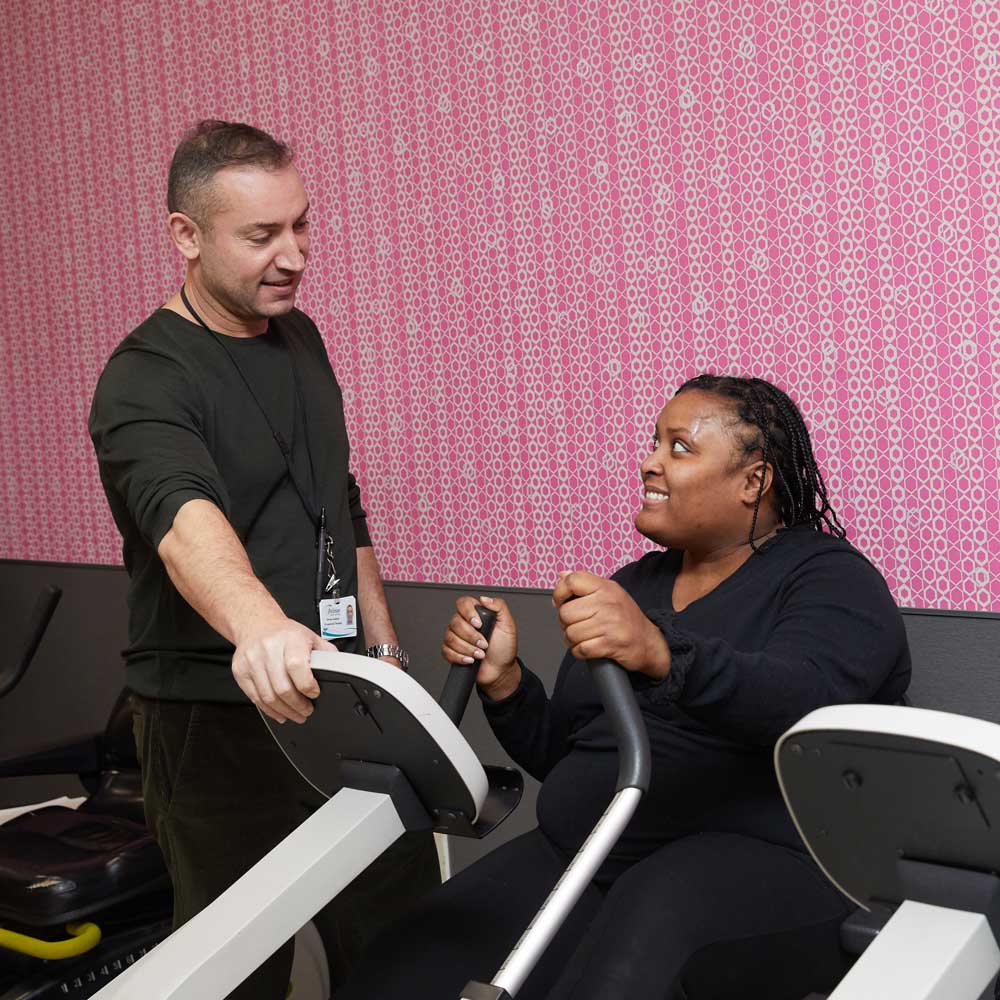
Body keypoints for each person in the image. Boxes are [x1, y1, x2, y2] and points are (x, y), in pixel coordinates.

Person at [333, 374, 911, 1000]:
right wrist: (506, 684)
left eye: (680, 447)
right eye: (654, 442)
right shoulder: (636, 583)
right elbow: (575, 753)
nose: (649, 462)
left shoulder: (829, 579)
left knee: (623, 957)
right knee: (411, 957)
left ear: (754, 481)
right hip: (588, 850)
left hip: (757, 854)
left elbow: (807, 703)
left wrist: (662, 652)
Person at [88, 120, 439, 999]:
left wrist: (382, 652)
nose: (293, 256)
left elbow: (337, 499)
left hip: (343, 698)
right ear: (187, 235)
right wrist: (260, 629)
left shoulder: (299, 338)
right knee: (240, 967)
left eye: (302, 225)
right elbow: (180, 517)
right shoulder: (145, 377)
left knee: (401, 935)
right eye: (261, 236)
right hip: (214, 716)